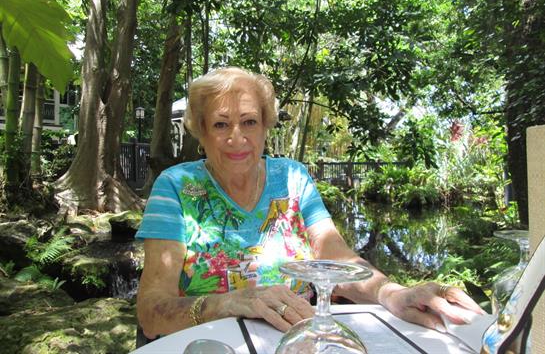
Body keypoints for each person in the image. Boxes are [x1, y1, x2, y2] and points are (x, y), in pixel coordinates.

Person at [136, 67, 485, 340]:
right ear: (201, 130)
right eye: (221, 124)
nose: (237, 137)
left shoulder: (292, 177)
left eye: (249, 122)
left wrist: (391, 293)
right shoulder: (176, 187)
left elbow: (337, 259)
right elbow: (151, 312)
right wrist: (226, 303)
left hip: (298, 341)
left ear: (266, 126)